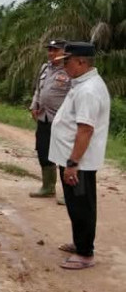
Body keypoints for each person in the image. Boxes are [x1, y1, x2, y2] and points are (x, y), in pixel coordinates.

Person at [49, 42, 110, 270]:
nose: (64, 66)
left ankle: (85, 253)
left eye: (67, 61)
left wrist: (73, 163)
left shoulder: (89, 90)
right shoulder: (82, 84)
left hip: (78, 162)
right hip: (71, 158)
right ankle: (79, 242)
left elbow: (86, 129)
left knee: (82, 205)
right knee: (75, 204)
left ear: (82, 62)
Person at [29, 39, 71, 202]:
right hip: (44, 117)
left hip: (62, 119)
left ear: (64, 52)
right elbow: (38, 90)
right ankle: (48, 187)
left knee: (63, 155)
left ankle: (69, 193)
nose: (52, 53)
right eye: (50, 50)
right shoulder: (45, 68)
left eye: (56, 50)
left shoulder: (70, 70)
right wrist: (34, 105)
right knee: (43, 151)